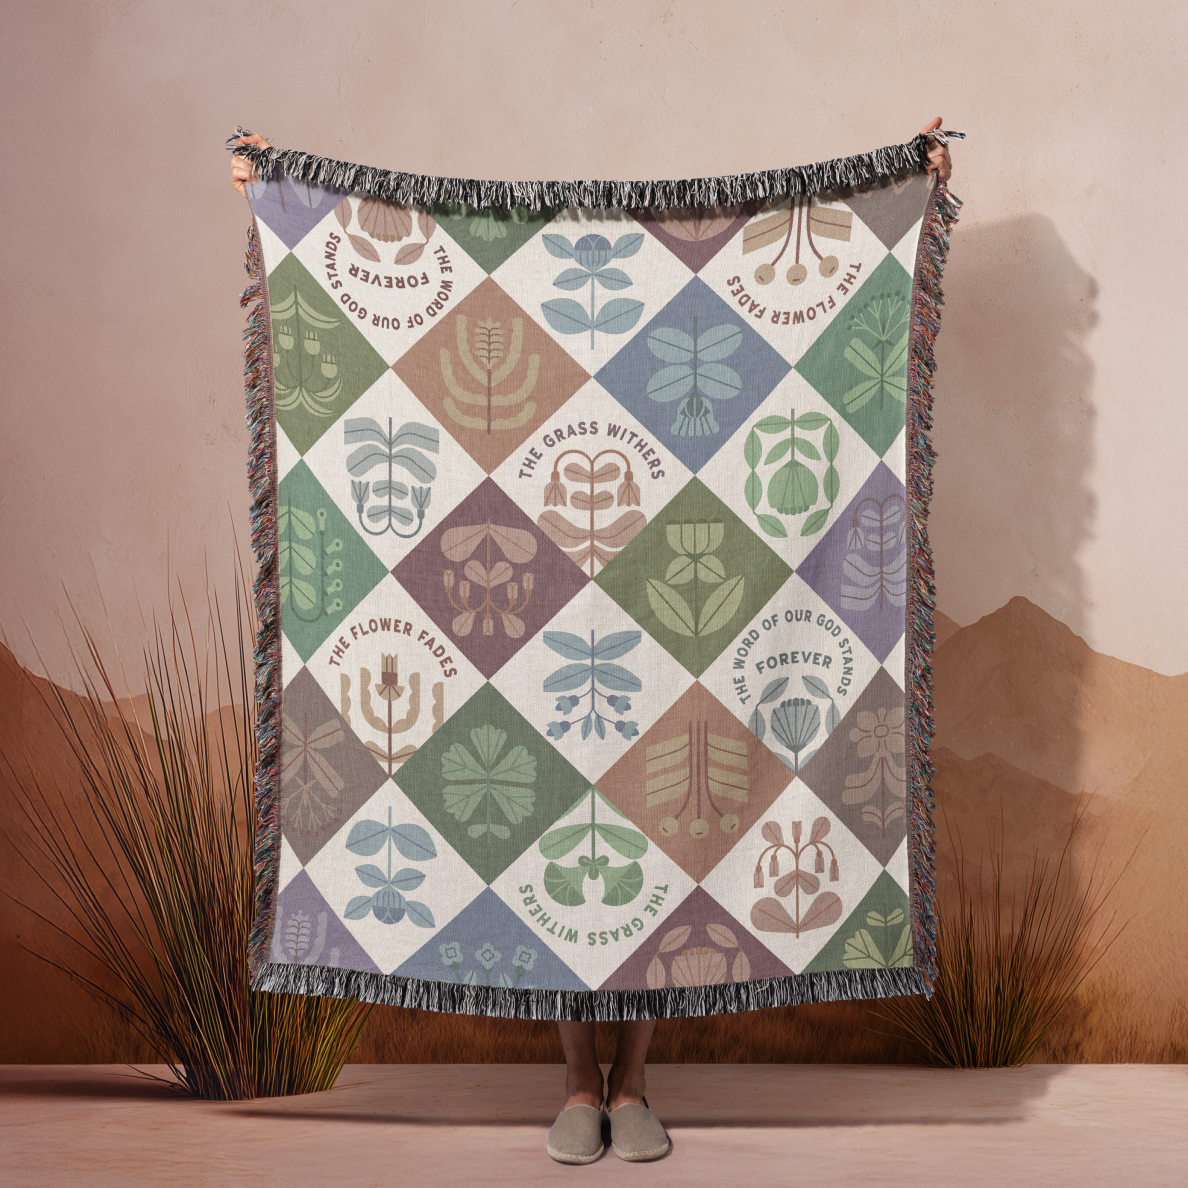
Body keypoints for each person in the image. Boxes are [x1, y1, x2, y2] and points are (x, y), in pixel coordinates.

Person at [230, 118, 953, 1164]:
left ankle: (638, 1083)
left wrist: (910, 182)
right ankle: (577, 1082)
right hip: (534, 608)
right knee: (541, 833)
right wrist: (274, 188)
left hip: (667, 598)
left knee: (676, 834)